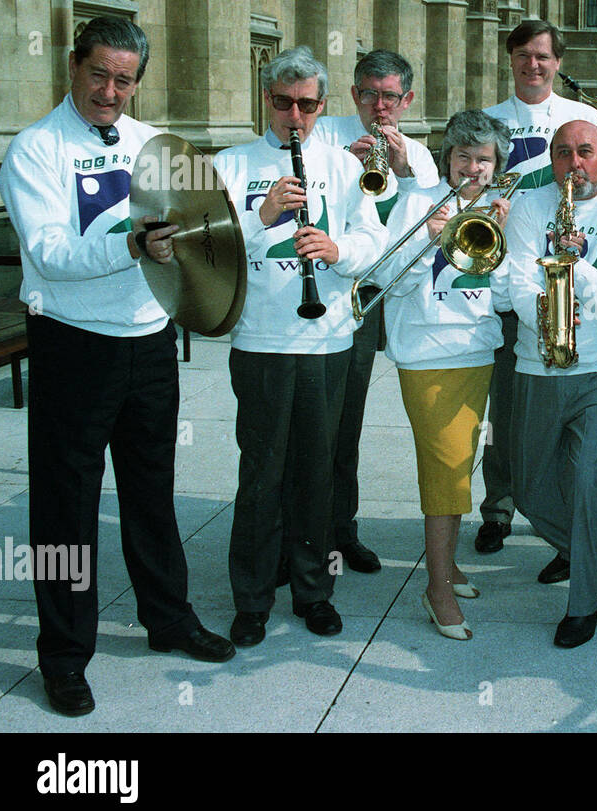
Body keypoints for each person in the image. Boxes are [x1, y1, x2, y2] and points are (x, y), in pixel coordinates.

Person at [0, 16, 234, 717]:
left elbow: (201, 217)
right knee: (64, 509)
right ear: (72, 66)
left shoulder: (149, 142)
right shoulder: (35, 149)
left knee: (151, 490)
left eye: (124, 79)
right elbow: (48, 254)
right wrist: (133, 245)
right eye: (98, 74)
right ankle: (65, 654)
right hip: (74, 345)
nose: (110, 91)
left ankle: (168, 618)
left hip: (147, 340)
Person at [211, 46, 386, 645]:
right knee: (262, 473)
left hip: (328, 338)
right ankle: (253, 598)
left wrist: (340, 253)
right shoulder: (232, 164)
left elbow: (372, 238)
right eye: (284, 103)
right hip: (260, 339)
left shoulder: (341, 164)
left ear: (321, 107)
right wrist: (261, 216)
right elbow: (212, 252)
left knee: (316, 472)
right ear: (267, 99)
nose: (295, 116)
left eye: (307, 106)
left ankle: (314, 591)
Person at [504, 120, 597, 647]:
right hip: (538, 361)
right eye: (563, 153)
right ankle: (576, 546)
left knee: (589, 478)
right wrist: (545, 315)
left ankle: (585, 601)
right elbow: (514, 280)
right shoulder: (529, 205)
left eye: (584, 152)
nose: (574, 164)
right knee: (525, 487)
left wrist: (575, 263)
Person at [476, 20, 597, 563]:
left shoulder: (582, 122)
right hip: (510, 280)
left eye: (543, 56)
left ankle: (560, 527)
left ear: (558, 62)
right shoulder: (489, 121)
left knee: (563, 416)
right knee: (506, 410)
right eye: (523, 55)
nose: (532, 65)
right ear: (510, 59)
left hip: (567, 286)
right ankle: (498, 507)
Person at [372, 110, 514, 640]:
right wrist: (422, 242)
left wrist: (500, 242)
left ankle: (448, 567)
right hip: (427, 356)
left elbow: (499, 299)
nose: (472, 167)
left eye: (483, 159)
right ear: (447, 158)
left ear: (496, 165)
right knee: (446, 470)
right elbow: (386, 280)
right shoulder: (416, 201)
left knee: (460, 464)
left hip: (474, 353)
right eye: (463, 156)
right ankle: (435, 589)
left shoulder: (498, 209)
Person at [315, 49, 439, 574]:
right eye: (369, 94)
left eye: (390, 97)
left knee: (347, 427)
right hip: (328, 299)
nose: (379, 107)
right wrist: (347, 157)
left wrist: (406, 169)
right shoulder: (325, 137)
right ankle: (303, 535)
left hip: (385, 297)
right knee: (315, 427)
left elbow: (433, 216)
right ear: (354, 94)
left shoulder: (420, 154)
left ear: (407, 100)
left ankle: (341, 533)